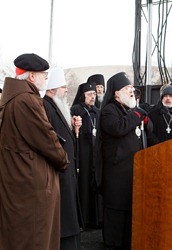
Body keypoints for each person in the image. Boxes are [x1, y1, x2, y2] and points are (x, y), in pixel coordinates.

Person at [0, 53, 69, 250]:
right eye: (43, 74)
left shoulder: (13, 98)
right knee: (33, 239)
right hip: (30, 184)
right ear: (31, 76)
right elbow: (46, 138)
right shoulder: (27, 100)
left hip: (18, 181)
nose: (46, 78)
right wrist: (63, 160)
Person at [99, 72, 152, 249]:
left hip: (132, 170)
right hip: (116, 172)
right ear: (116, 93)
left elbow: (149, 129)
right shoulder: (109, 111)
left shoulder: (129, 109)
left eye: (132, 88)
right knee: (117, 210)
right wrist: (136, 112)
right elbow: (118, 128)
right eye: (127, 88)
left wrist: (142, 116)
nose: (131, 91)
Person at [43, 67, 83, 249]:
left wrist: (75, 130)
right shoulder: (46, 106)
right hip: (58, 174)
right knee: (63, 220)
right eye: (63, 86)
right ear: (52, 89)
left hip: (65, 173)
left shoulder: (55, 106)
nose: (67, 90)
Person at [71, 82, 103, 229]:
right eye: (89, 94)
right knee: (83, 184)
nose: (92, 97)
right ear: (82, 95)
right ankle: (83, 219)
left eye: (94, 95)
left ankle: (96, 219)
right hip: (83, 155)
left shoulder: (98, 111)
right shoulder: (76, 110)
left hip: (95, 154)